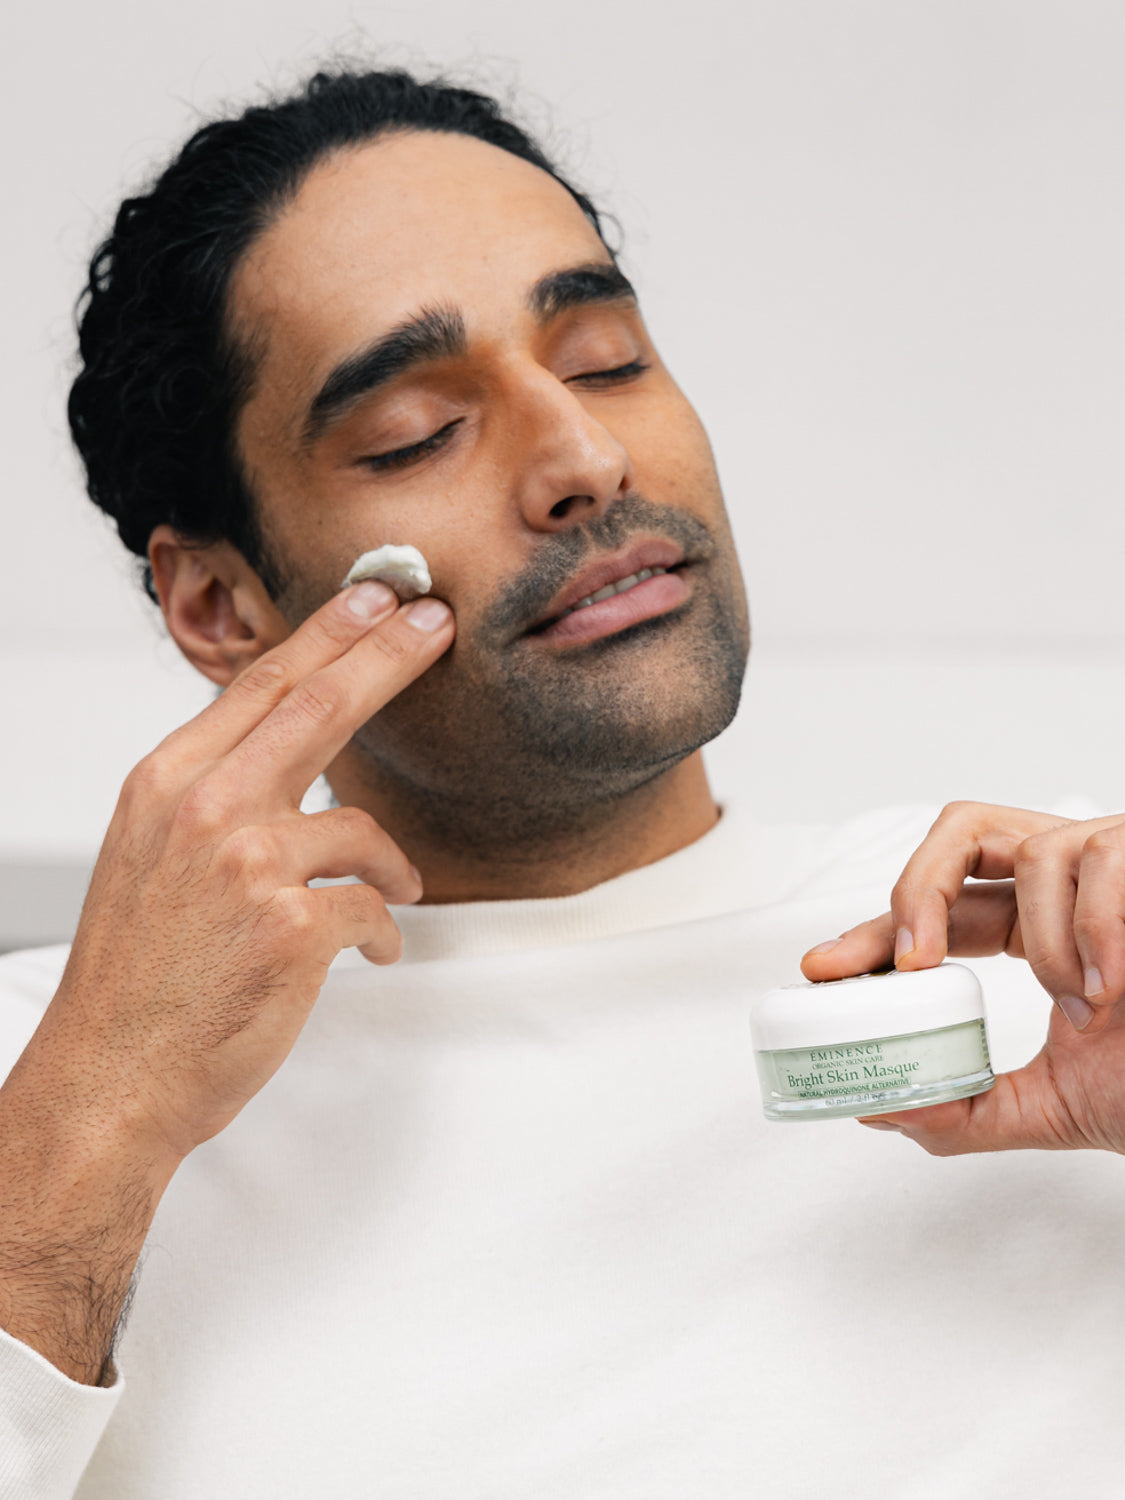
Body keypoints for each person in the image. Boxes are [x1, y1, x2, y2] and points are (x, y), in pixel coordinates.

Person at [2, 63, 1124, 1499]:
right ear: (223, 603)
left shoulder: (1067, 957)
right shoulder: (52, 1070)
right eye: (415, 434)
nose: (584, 459)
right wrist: (90, 1124)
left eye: (603, 360)